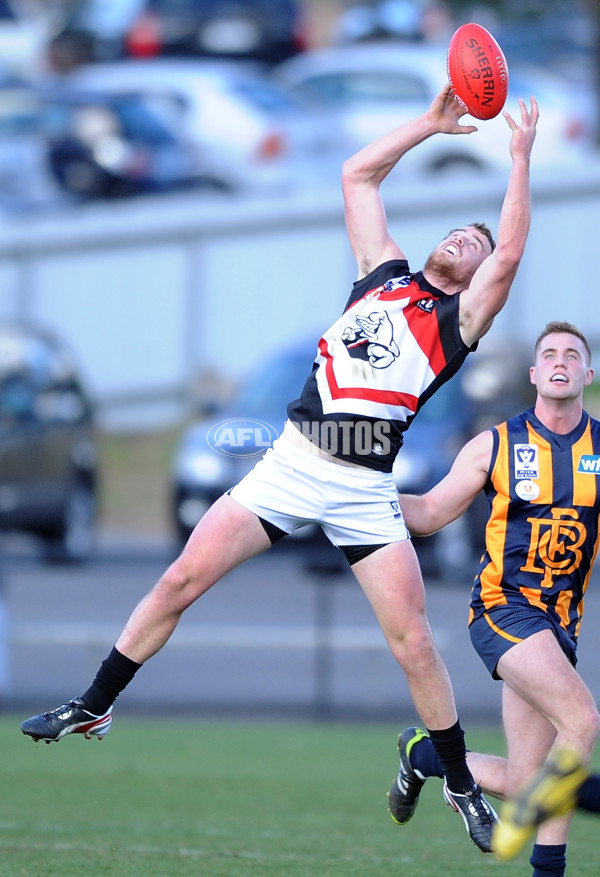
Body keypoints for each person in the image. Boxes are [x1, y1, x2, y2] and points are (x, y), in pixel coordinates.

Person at [21, 84, 538, 853]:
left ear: (478, 275)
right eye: (460, 231)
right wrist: (431, 125)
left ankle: (460, 782)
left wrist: (519, 158)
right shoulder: (383, 276)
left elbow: (513, 249)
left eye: (476, 241)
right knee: (178, 580)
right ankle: (94, 701)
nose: (466, 239)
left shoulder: (456, 322)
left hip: (365, 485)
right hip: (292, 462)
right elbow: (357, 177)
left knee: (414, 646)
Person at [389, 321, 600, 875]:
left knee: (529, 781)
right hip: (502, 611)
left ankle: (424, 756)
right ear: (534, 374)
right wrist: (361, 497)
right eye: (550, 353)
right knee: (582, 721)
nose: (561, 361)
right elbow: (432, 513)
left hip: (559, 627)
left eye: (572, 355)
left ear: (587, 373)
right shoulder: (498, 443)